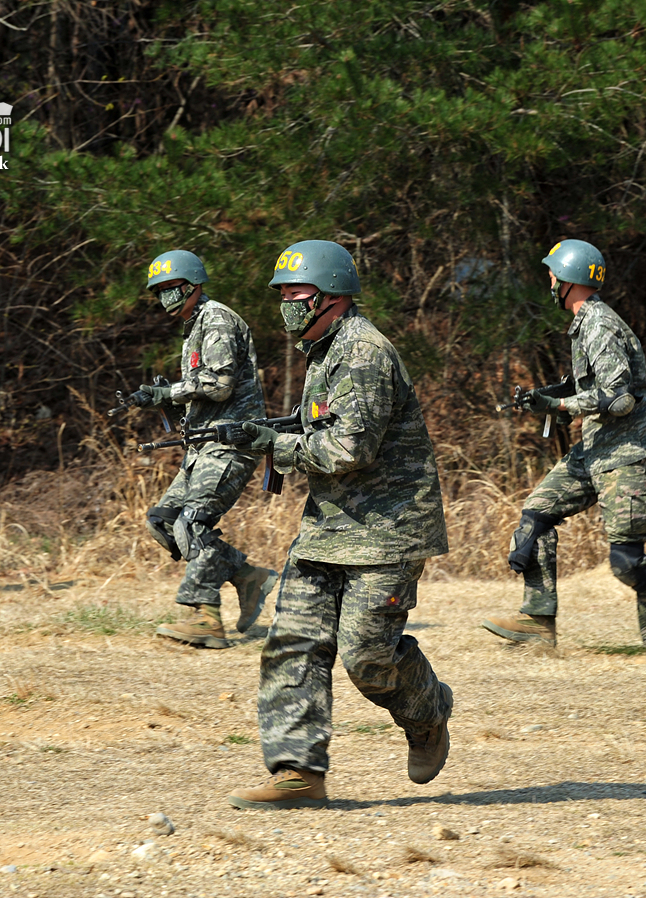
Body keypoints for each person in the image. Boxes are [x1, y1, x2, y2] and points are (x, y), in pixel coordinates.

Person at [225, 240, 454, 811]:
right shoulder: (322, 350)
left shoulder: (362, 351)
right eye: (281, 294)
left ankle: (428, 714)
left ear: (329, 295)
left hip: (388, 530)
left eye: (295, 293)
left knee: (367, 659)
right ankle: (298, 772)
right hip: (328, 528)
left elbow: (351, 446)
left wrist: (276, 444)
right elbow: (326, 426)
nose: (285, 303)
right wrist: (277, 434)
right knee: (293, 642)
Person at [482, 239, 646, 667]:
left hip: (629, 452)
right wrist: (553, 398)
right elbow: (595, 390)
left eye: (551, 274)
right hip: (596, 447)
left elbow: (617, 396)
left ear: (566, 280)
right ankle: (537, 622)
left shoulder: (598, 323)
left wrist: (560, 406)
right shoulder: (585, 324)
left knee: (626, 560)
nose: (548, 280)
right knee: (536, 515)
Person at [135, 250, 278, 649]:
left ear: (194, 284)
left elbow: (218, 384)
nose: (166, 296)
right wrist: (159, 398)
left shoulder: (216, 319)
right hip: (203, 445)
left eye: (172, 287)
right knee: (163, 521)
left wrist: (169, 392)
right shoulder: (194, 324)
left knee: (192, 523)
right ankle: (249, 577)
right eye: (159, 290)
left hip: (231, 443)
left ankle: (205, 619)